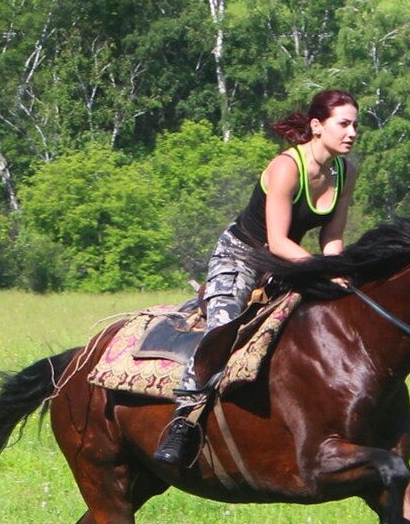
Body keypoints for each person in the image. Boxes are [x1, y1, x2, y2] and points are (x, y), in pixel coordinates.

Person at [152, 88, 359, 467]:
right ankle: (182, 423)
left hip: (288, 264)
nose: (352, 133)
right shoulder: (286, 167)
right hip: (243, 256)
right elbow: (278, 242)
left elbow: (332, 237)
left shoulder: (346, 171)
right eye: (343, 124)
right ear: (317, 126)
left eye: (355, 125)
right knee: (223, 330)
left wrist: (340, 272)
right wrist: (323, 270)